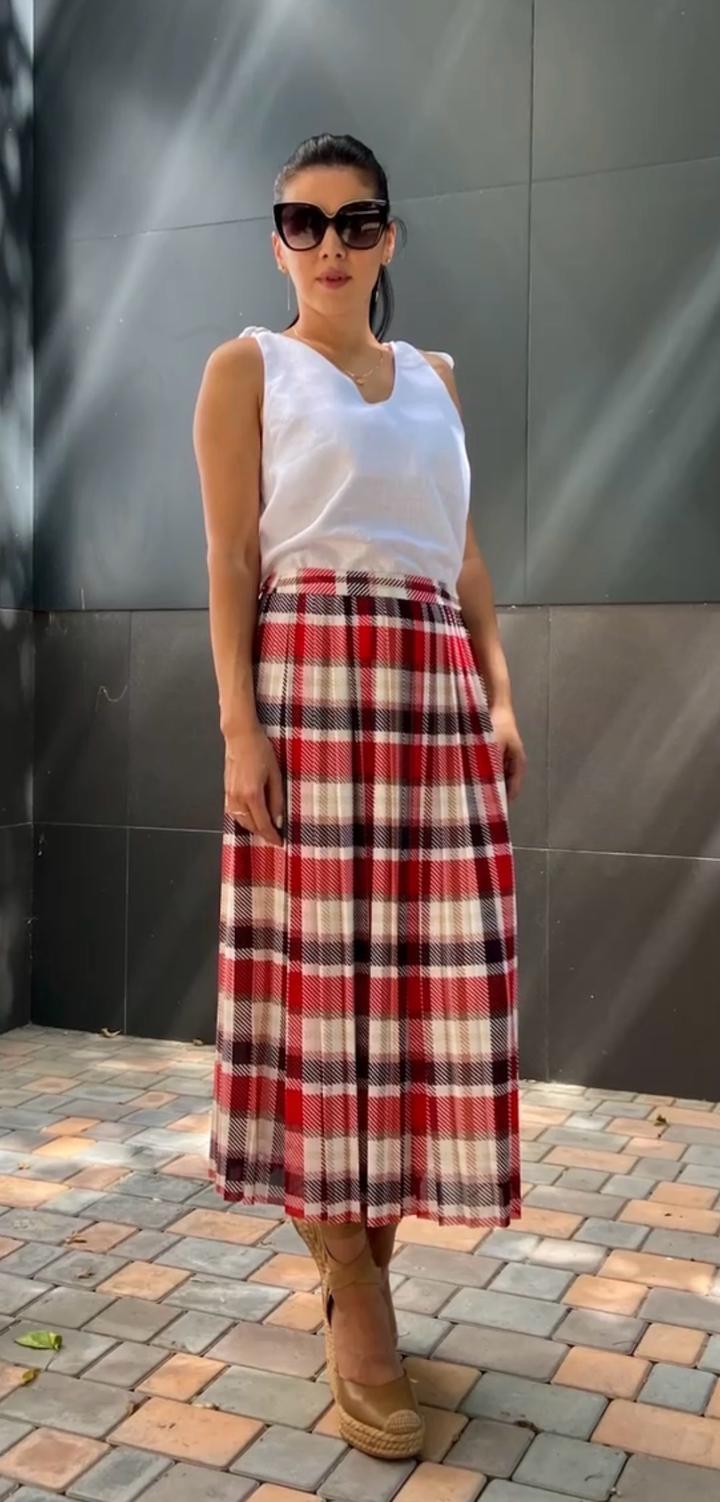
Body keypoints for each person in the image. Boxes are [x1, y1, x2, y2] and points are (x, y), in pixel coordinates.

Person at [192, 131, 527, 1464]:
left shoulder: (436, 378)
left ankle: (357, 1254)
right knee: (328, 994)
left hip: (432, 693)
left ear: (390, 235)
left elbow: (464, 555)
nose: (330, 244)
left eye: (357, 220)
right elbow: (230, 557)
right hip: (311, 690)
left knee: (428, 993)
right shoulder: (246, 368)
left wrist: (498, 692)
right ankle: (358, 1294)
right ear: (277, 238)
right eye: (304, 220)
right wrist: (239, 727)